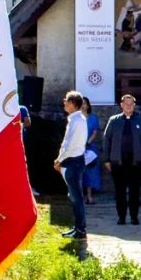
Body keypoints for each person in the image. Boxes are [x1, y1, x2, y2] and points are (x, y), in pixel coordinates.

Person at [101, 94, 141, 226]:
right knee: (120, 191)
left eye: (131, 104)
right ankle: (121, 216)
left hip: (136, 161)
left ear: (134, 106)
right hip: (118, 161)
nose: (129, 106)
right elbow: (107, 140)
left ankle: (134, 217)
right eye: (126, 104)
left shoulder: (140, 121)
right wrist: (107, 159)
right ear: (121, 105)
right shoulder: (114, 120)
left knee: (135, 191)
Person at [54, 91, 88, 239]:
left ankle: (80, 229)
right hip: (75, 160)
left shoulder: (77, 120)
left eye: (67, 101)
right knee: (74, 197)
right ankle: (78, 227)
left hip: (73, 161)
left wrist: (59, 160)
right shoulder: (77, 119)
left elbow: (69, 144)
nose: (65, 103)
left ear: (73, 104)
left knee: (76, 197)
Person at [81, 98, 102, 205]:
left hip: (89, 148)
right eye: (81, 104)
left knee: (90, 171)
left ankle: (89, 196)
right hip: (78, 148)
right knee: (80, 172)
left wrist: (87, 143)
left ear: (88, 106)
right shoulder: (76, 118)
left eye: (85, 104)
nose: (83, 106)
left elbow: (94, 132)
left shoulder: (93, 118)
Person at [19, 104, 39, 197]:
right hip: (6, 142)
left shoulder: (22, 109)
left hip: (21, 142)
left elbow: (28, 123)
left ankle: (28, 188)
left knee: (23, 165)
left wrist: (18, 124)